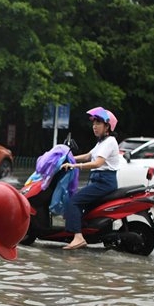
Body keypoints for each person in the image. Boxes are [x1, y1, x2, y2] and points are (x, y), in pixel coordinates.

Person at [62, 106, 122, 250]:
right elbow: (89, 155)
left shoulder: (110, 142)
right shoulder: (102, 142)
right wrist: (67, 158)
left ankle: (78, 237)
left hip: (104, 182)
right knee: (82, 205)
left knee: (74, 202)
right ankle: (85, 232)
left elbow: (97, 163)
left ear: (107, 126)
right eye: (93, 123)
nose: (94, 126)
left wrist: (75, 166)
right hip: (100, 181)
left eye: (98, 123)